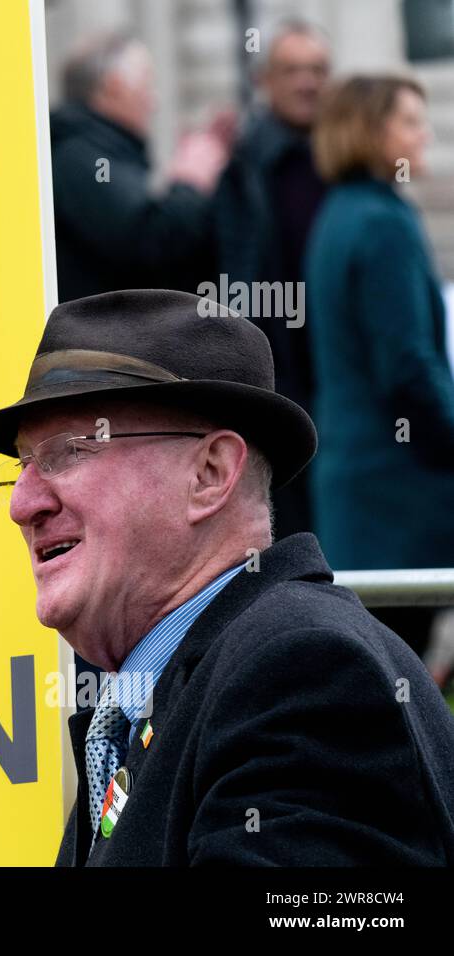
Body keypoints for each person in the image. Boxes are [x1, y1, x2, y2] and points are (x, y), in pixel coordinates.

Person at [0, 289, 454, 865]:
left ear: (211, 473)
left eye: (67, 453)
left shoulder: (299, 672)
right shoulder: (162, 703)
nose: (23, 504)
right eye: (22, 466)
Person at [304, 76, 454, 658]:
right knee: (396, 684)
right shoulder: (382, 223)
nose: (426, 134)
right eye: (412, 122)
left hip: (361, 493)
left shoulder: (341, 213)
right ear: (374, 132)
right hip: (394, 501)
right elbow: (407, 368)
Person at [211, 19, 331, 538]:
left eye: (318, 70)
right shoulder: (245, 163)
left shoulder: (340, 158)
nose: (307, 82)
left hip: (333, 374)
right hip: (280, 375)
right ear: (265, 80)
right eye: (292, 70)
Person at [50, 32, 230, 302]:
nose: (154, 102)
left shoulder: (97, 149)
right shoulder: (79, 156)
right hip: (101, 338)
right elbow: (147, 243)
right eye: (147, 85)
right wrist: (189, 184)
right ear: (113, 87)